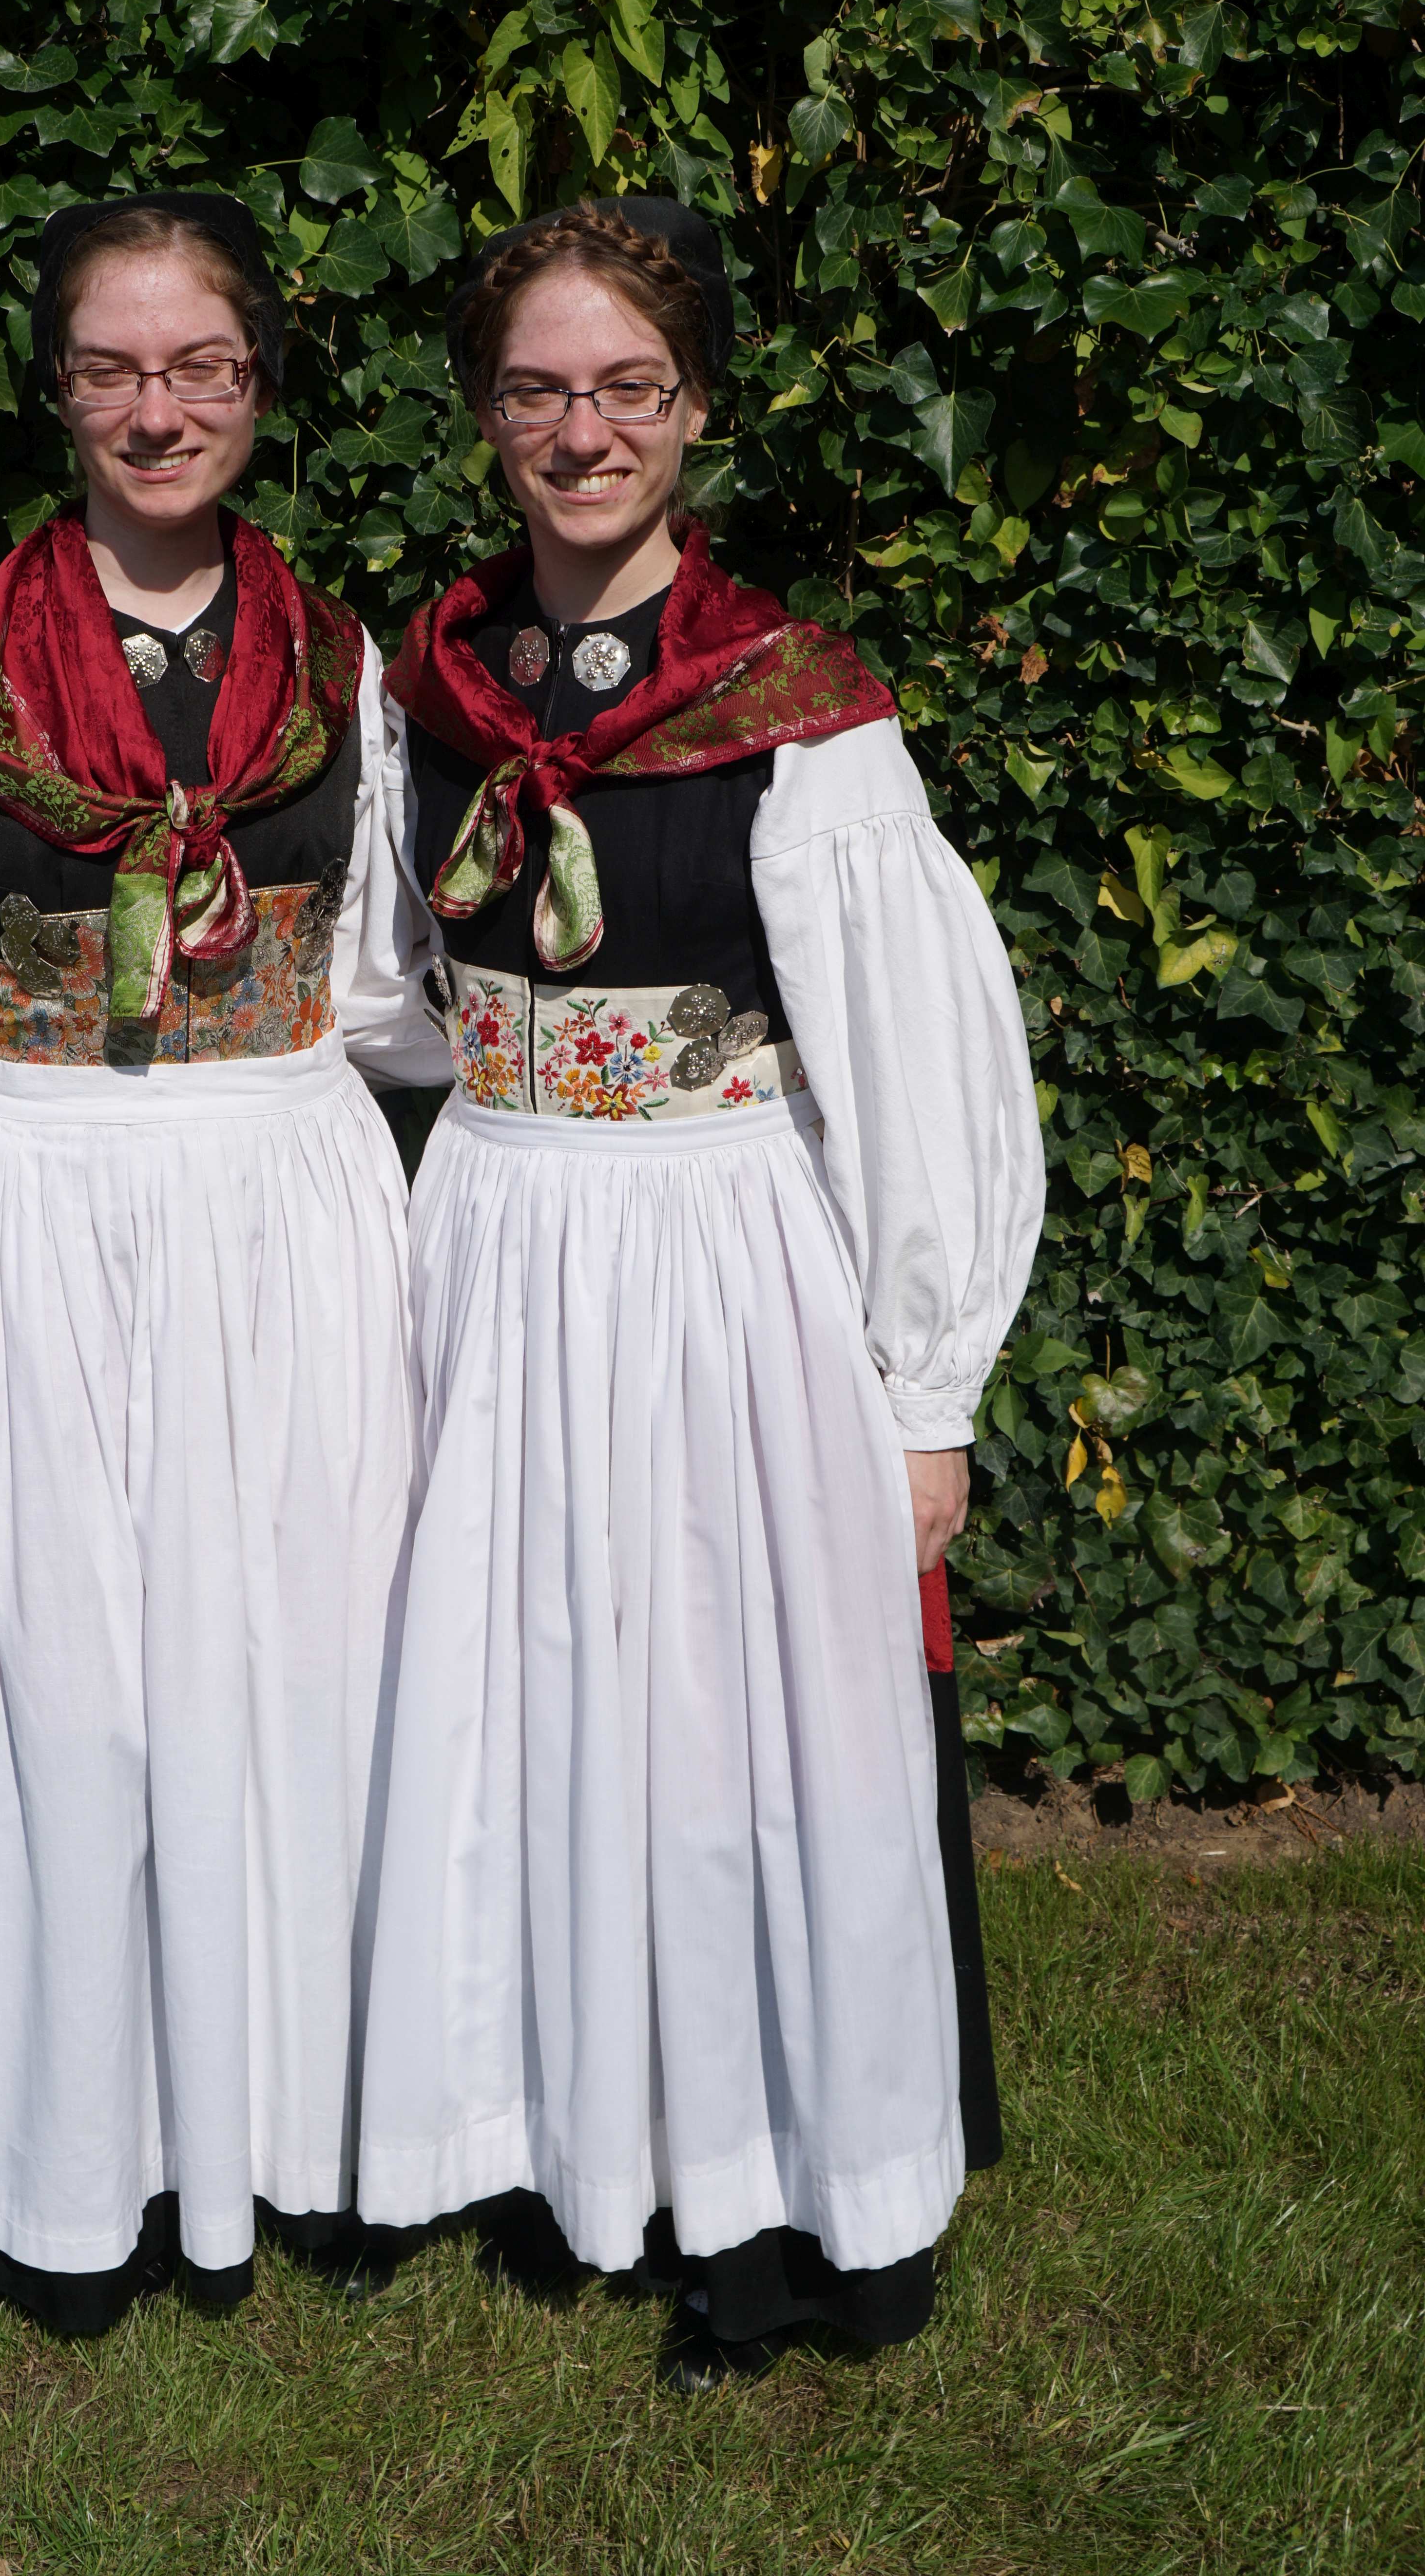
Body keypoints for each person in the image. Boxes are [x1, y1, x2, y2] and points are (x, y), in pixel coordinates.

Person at [356, 197, 1044, 2386]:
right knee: (531, 1701)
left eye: (626, 390)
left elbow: (917, 1058)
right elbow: (390, 989)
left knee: (741, 1736)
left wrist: (926, 1385)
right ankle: (565, 2141)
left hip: (720, 1253)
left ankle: (777, 2211)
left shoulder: (796, 709)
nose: (583, 435)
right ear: (488, 417)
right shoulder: (427, 684)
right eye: (539, 392)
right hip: (498, 1235)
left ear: (696, 411)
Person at [0, 192, 446, 2335]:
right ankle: (56, 2157)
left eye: (200, 367)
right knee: (56, 1688)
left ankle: (293, 2135)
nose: (158, 411)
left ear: (258, 384)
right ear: (58, 391)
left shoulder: (345, 673)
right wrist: (27, 1188)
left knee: (301, 1655)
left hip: (286, 1205)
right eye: (112, 368)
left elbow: (384, 985)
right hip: (33, 1211)